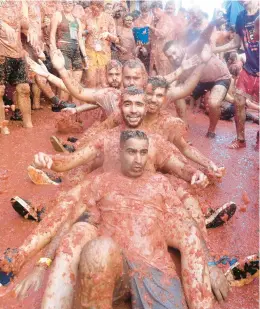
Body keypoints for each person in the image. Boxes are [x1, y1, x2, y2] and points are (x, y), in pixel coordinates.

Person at [214, 0, 259, 149]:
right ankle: (241, 140)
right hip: (248, 70)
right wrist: (214, 50)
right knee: (238, 102)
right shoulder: (241, 17)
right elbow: (236, 43)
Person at [0, 0, 38, 131]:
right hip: (1, 53)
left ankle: (28, 125)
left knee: (24, 89)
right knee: (0, 91)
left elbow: (24, 26)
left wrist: (30, 30)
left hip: (18, 53)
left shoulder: (20, 3)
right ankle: (3, 127)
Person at [50, 0, 86, 103]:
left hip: (76, 51)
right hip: (63, 51)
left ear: (73, 5)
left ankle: (77, 112)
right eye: (64, 2)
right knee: (66, 83)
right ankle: (63, 115)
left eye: (70, 3)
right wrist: (54, 51)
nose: (67, 5)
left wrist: (85, 57)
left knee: (76, 84)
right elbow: (52, 35)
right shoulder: (58, 15)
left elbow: (80, 40)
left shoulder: (77, 20)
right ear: (61, 4)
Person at [83, 0, 119, 88]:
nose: (94, 12)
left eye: (96, 9)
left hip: (104, 53)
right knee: (90, 79)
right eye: (92, 9)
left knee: (104, 80)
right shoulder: (86, 17)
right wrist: (87, 31)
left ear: (102, 8)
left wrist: (108, 34)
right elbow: (80, 33)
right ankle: (90, 100)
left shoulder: (109, 18)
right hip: (90, 52)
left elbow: (116, 39)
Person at [149, 1, 173, 75]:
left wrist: (151, 28)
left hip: (163, 55)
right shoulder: (155, 20)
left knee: (164, 79)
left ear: (157, 9)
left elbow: (163, 33)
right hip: (154, 55)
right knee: (153, 79)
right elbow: (151, 36)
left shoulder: (167, 19)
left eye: (154, 12)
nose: (154, 15)